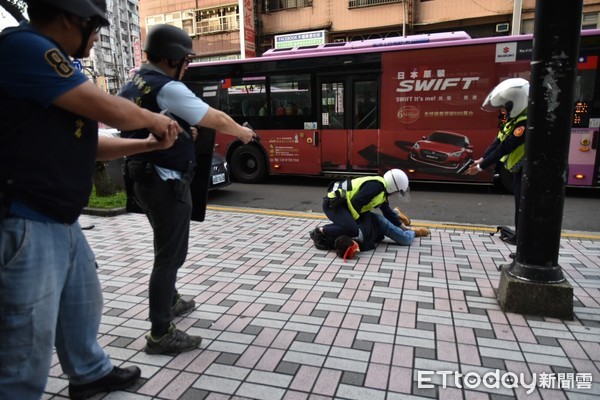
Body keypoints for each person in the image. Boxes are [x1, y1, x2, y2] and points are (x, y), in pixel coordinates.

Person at [0, 0, 182, 399]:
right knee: (25, 345)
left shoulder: (55, 68)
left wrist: (147, 145)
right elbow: (106, 108)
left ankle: (89, 372)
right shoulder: (26, 47)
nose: (98, 35)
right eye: (96, 25)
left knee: (84, 301)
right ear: (70, 16)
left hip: (60, 219)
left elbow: (85, 144)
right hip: (26, 218)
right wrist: (154, 119)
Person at [118, 24, 255, 356]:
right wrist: (243, 133)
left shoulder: (135, 82)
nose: (188, 66)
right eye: (186, 60)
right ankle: (160, 333)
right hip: (165, 183)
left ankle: (172, 298)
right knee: (169, 256)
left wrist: (179, 134)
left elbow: (137, 124)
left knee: (165, 247)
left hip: (143, 177)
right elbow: (218, 118)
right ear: (171, 59)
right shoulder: (168, 87)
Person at [463, 77, 529, 245]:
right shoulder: (513, 122)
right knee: (520, 207)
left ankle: (523, 242)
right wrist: (483, 158)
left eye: (506, 106)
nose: (503, 111)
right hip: (518, 171)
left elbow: (504, 148)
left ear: (516, 103)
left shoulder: (524, 123)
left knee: (524, 208)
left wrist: (480, 167)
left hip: (526, 172)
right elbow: (497, 142)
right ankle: (521, 238)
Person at [309, 169, 428, 250]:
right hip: (334, 205)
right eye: (397, 191)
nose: (395, 194)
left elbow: (387, 213)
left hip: (344, 206)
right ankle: (319, 231)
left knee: (352, 228)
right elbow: (356, 202)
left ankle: (335, 228)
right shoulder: (376, 186)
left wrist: (404, 228)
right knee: (352, 229)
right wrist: (359, 223)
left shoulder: (382, 192)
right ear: (393, 187)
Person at [310, 207, 430, 257]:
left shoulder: (358, 234)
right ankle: (397, 218)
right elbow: (316, 237)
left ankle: (411, 230)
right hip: (375, 233)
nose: (357, 251)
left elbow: (366, 214)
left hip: (376, 222)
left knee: (406, 240)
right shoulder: (334, 242)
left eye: (354, 250)